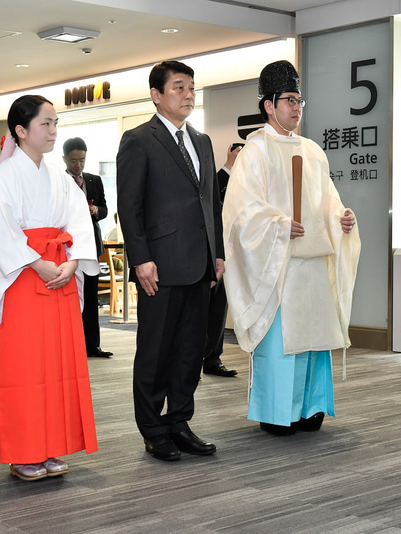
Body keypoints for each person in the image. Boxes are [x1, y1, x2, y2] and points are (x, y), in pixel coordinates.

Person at [222, 60, 360, 436]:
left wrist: (341, 220)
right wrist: (279, 226)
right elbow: (241, 211)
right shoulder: (256, 151)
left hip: (312, 263)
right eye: (288, 100)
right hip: (279, 265)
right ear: (268, 105)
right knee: (282, 341)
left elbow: (326, 201)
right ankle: (277, 410)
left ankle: (311, 407)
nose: (296, 107)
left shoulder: (313, 150)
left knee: (315, 339)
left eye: (300, 100)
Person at [0, 95, 99, 482]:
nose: (53, 131)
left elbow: (79, 223)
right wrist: (37, 261)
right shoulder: (2, 177)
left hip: (58, 273)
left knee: (58, 367)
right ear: (21, 130)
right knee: (23, 368)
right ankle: (22, 450)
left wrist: (73, 260)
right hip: (24, 279)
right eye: (45, 124)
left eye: (55, 123)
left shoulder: (60, 178)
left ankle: (51, 446)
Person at [116, 60, 225, 462]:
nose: (188, 94)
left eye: (192, 87)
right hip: (159, 267)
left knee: (188, 350)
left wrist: (217, 253)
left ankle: (180, 421)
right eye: (178, 87)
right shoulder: (138, 139)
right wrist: (141, 259)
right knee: (155, 350)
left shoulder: (202, 141)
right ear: (156, 95)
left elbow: (211, 202)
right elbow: (130, 206)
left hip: (198, 265)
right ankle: (153, 429)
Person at [62, 137, 113, 358]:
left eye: (82, 160)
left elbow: (104, 209)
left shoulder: (94, 180)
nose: (78, 165)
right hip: (68, 248)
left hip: (91, 246)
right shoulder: (58, 180)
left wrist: (95, 212)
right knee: (69, 298)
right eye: (73, 160)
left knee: (91, 298)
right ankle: (70, 345)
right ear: (65, 159)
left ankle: (93, 345)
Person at [203, 144, 242, 378]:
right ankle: (191, 361)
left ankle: (212, 359)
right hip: (210, 252)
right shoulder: (222, 179)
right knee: (203, 310)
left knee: (219, 310)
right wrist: (228, 166)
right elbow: (211, 197)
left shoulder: (253, 181)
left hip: (232, 255)